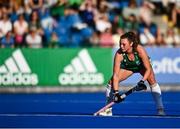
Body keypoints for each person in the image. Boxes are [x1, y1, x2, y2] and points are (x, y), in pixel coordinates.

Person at [99, 31, 165, 116]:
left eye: (124, 44)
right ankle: (108, 110)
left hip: (142, 67)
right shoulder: (119, 54)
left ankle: (160, 109)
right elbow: (115, 75)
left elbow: (148, 69)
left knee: (152, 81)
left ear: (131, 43)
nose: (121, 46)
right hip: (129, 67)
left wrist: (142, 81)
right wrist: (116, 93)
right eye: (120, 44)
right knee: (111, 82)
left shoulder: (139, 50)